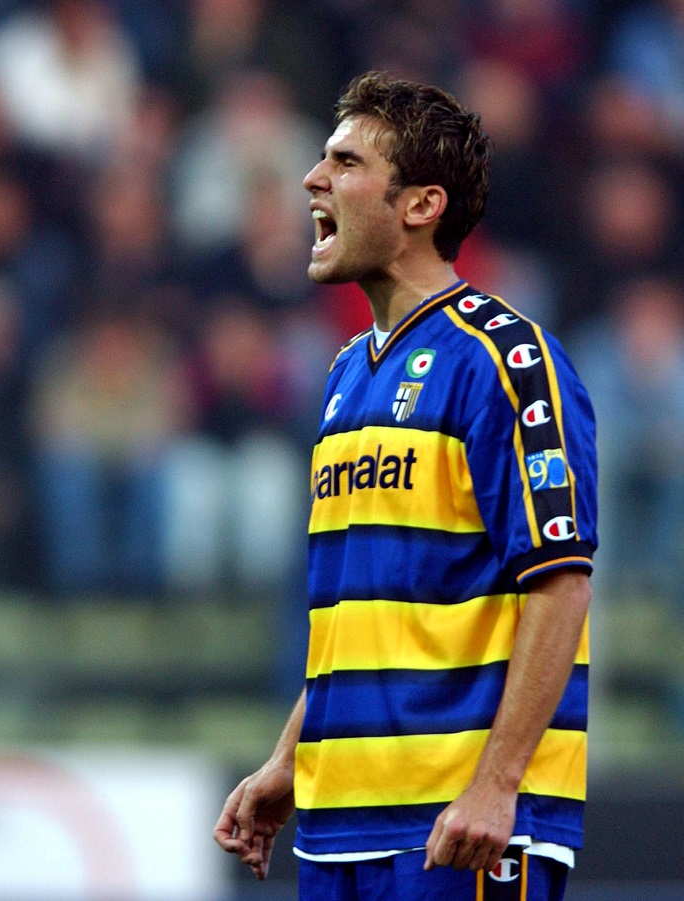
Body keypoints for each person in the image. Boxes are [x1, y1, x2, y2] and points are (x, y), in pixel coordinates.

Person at [214, 71, 598, 900]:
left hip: (459, 828)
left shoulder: (507, 360)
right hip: (340, 823)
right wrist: (291, 757)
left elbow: (560, 583)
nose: (313, 179)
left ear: (421, 205)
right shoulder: (346, 373)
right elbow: (361, 612)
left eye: (346, 162)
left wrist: (496, 783)